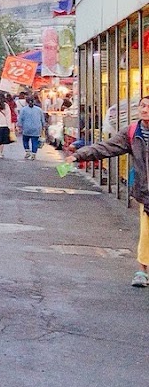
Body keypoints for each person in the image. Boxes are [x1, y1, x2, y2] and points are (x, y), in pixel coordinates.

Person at [70, 94, 149, 287]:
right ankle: (142, 271)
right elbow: (107, 147)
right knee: (146, 232)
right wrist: (79, 155)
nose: (145, 109)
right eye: (142, 106)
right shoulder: (132, 132)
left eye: (148, 106)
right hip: (145, 192)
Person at [0, 93, 14, 159]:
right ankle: (0, 152)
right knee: (2, 140)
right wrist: (10, 126)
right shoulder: (5, 105)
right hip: (4, 124)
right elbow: (8, 116)